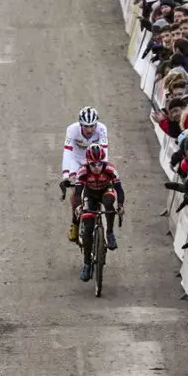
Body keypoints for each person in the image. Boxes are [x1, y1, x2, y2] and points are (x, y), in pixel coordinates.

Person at [68, 144, 124, 282]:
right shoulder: (83, 172)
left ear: (103, 161)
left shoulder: (111, 170)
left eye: (99, 163)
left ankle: (109, 232)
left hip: (105, 191)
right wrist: (79, 206)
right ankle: (87, 263)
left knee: (109, 203)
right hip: (90, 195)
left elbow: (120, 190)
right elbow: (78, 193)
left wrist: (121, 206)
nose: (97, 167)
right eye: (93, 164)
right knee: (87, 230)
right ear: (88, 163)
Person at [60, 106, 109, 242]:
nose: (89, 130)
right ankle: (75, 223)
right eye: (86, 126)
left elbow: (105, 152)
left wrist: (104, 171)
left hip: (94, 161)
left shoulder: (102, 129)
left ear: (96, 124)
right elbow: (68, 152)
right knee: (76, 191)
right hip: (76, 161)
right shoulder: (72, 129)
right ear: (80, 124)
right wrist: (66, 175)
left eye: (92, 126)